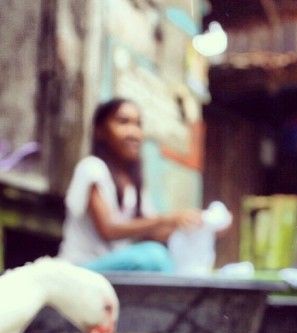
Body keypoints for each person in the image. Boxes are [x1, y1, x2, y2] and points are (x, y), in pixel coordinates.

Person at [58, 98, 202, 272]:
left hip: (115, 269)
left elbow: (151, 232)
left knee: (169, 256)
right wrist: (167, 219)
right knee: (154, 256)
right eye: (123, 122)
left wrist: (191, 226)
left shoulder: (134, 181)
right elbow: (108, 230)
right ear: (100, 131)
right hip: (83, 268)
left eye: (138, 124)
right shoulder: (92, 168)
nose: (134, 133)